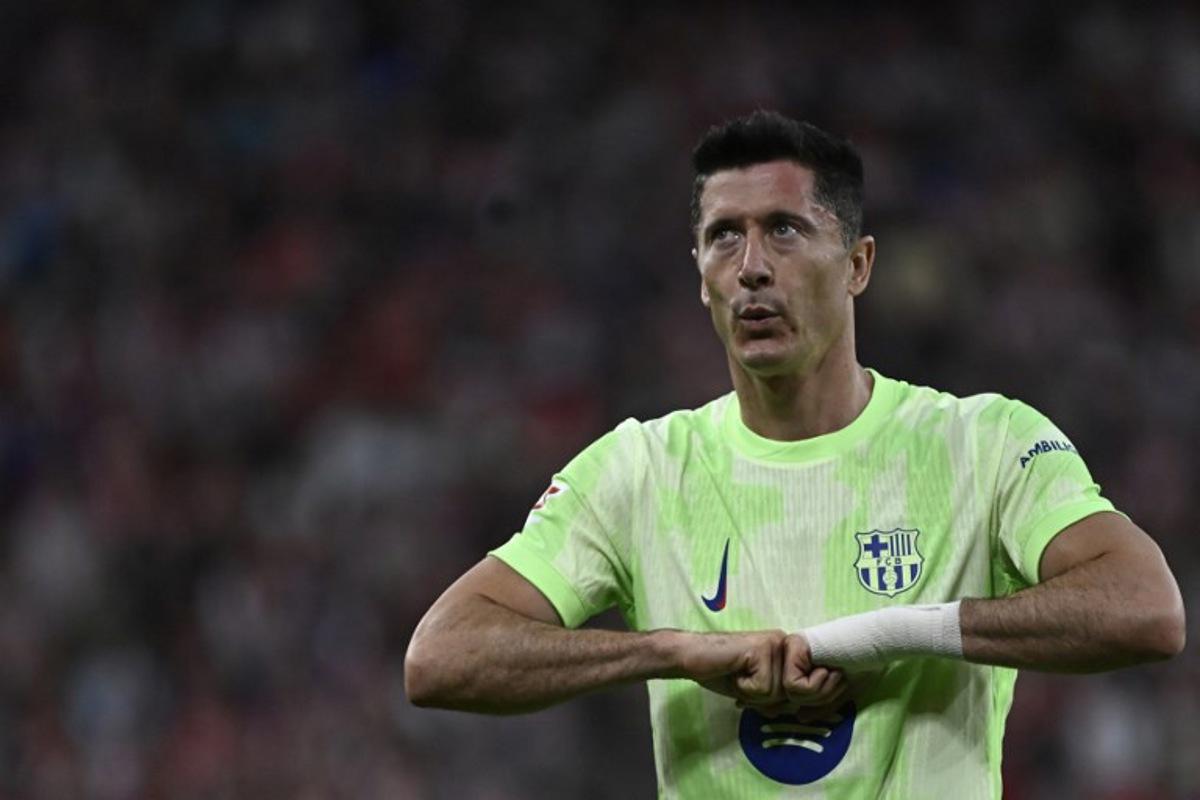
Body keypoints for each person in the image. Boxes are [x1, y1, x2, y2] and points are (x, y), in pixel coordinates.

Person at [404, 110, 1186, 798]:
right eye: (723, 237)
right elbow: (441, 658)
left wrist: (885, 636)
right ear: (700, 277)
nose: (751, 266)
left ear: (858, 264)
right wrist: (674, 652)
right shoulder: (640, 469)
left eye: (784, 228)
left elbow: (1146, 608)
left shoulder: (981, 443)